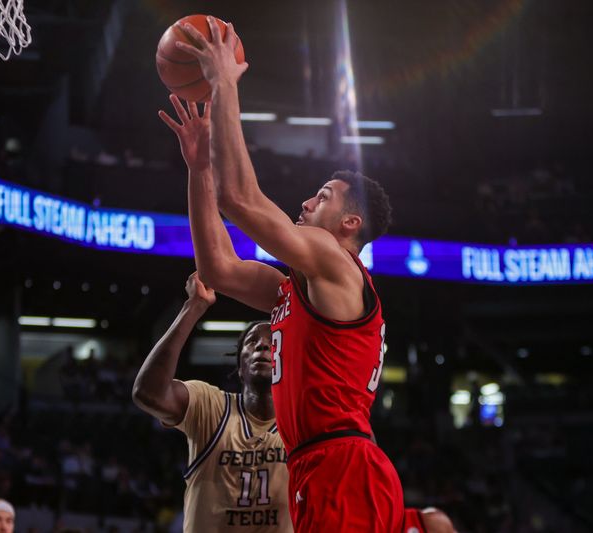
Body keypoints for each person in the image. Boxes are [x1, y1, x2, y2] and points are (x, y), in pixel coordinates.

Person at [165, 17, 402, 532]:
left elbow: (242, 201)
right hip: (321, 465)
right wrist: (199, 169)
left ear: (350, 223)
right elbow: (219, 269)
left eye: (322, 196)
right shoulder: (301, 288)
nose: (305, 201)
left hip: (341, 466)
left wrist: (224, 82)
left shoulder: (336, 261)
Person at [132, 273, 291, 532]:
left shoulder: (304, 423)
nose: (263, 346)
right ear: (240, 367)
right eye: (252, 342)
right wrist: (194, 306)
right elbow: (148, 393)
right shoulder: (212, 405)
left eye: (273, 342)